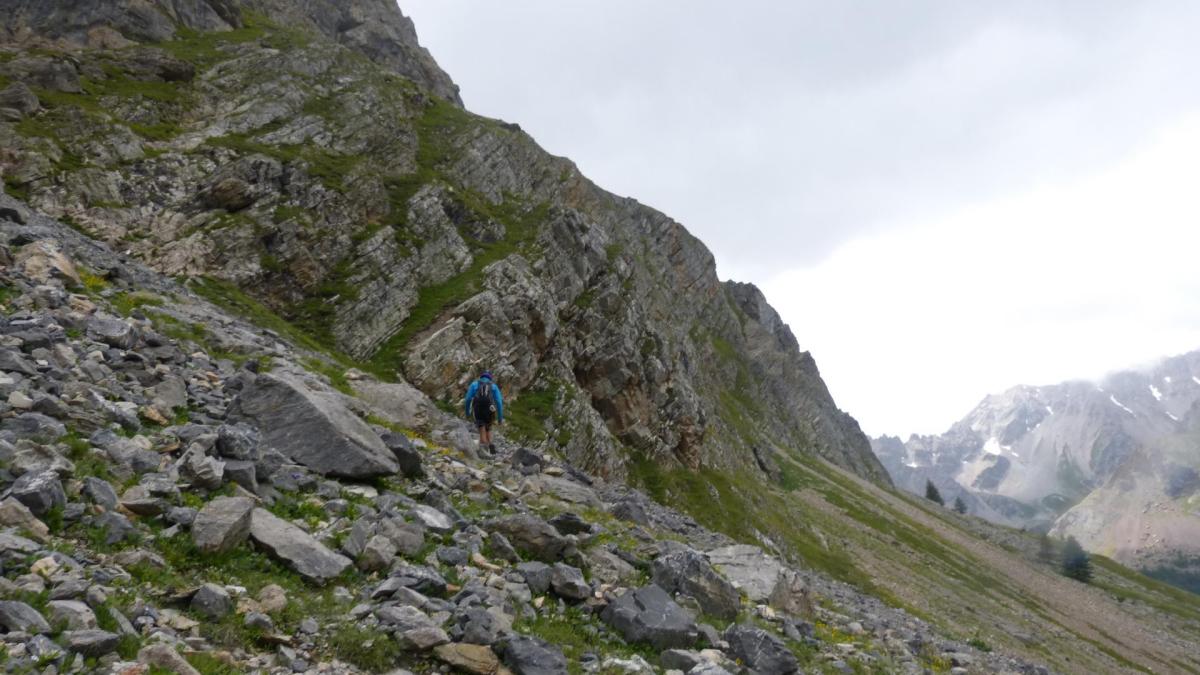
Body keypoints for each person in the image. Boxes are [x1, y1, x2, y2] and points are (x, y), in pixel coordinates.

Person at [464, 371, 503, 454]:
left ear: (481, 377)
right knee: (488, 427)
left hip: (478, 409)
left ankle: (484, 451)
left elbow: (468, 399)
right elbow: (499, 402)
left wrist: (467, 412)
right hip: (490, 410)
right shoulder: (493, 386)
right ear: (490, 378)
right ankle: (491, 445)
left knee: (482, 428)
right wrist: (500, 418)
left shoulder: (474, 384)